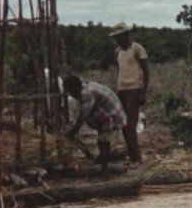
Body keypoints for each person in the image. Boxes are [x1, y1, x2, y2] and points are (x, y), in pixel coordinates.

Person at [63, 75, 126, 171]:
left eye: (70, 92)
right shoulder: (84, 88)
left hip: (111, 116)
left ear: (74, 89)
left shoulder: (87, 93)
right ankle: (105, 161)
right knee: (102, 141)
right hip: (106, 116)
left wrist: (72, 131)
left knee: (103, 141)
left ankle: (105, 166)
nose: (71, 95)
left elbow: (82, 115)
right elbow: (78, 113)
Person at [109, 22, 149, 165]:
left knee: (130, 126)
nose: (117, 40)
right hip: (122, 90)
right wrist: (117, 88)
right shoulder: (117, 51)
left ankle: (136, 158)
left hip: (134, 89)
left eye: (119, 36)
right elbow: (119, 71)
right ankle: (132, 155)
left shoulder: (137, 49)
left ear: (126, 35)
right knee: (123, 124)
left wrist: (143, 92)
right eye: (116, 37)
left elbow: (146, 71)